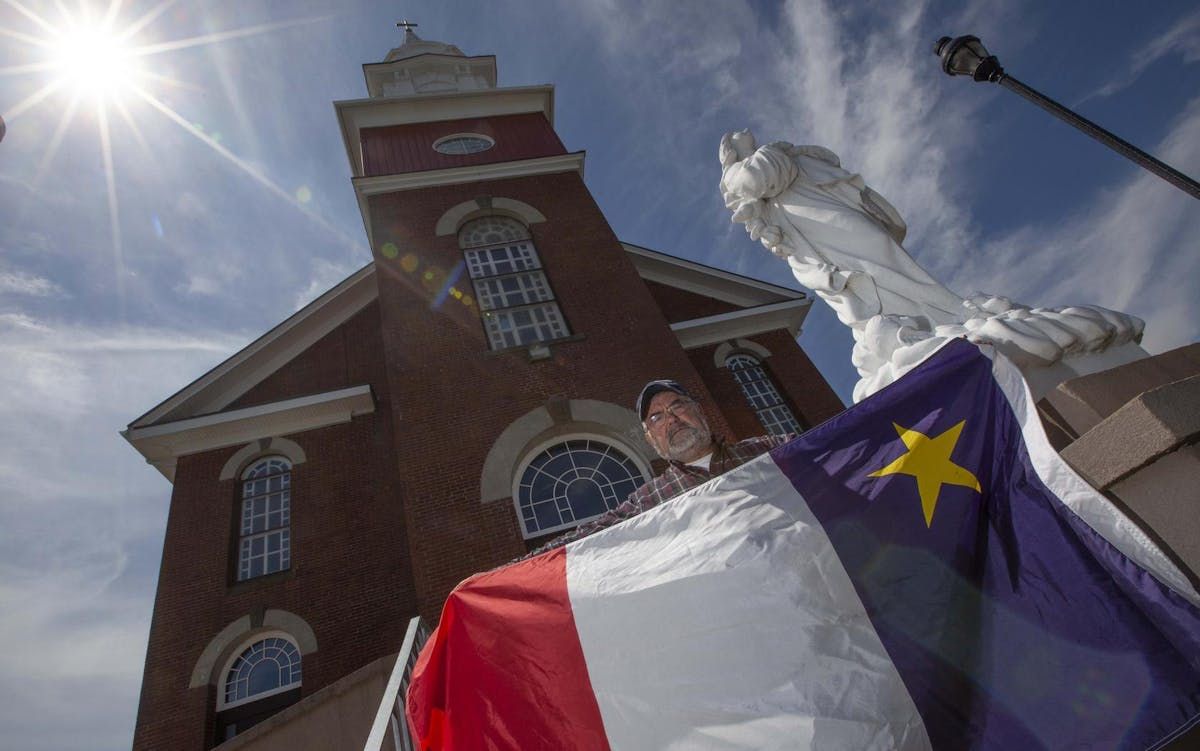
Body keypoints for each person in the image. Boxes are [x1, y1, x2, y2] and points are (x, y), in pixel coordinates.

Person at [529, 379, 795, 555]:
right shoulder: (651, 500)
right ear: (650, 438)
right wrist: (504, 572)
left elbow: (827, 448)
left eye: (677, 406)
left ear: (699, 411)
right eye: (656, 417)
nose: (671, 419)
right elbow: (590, 535)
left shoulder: (768, 451)